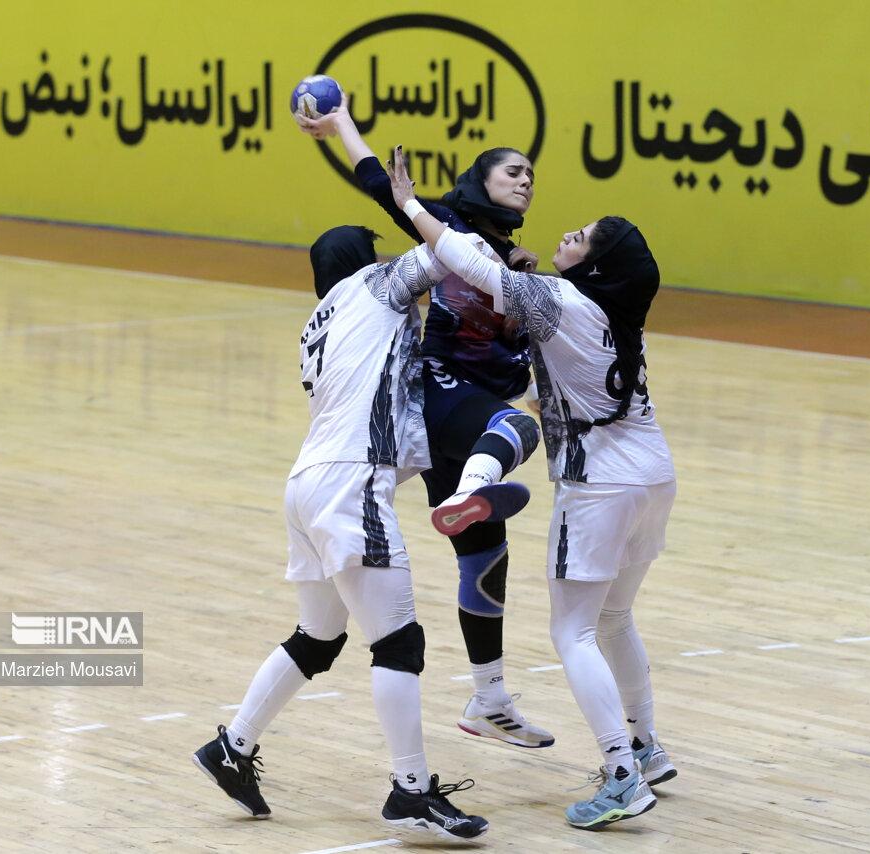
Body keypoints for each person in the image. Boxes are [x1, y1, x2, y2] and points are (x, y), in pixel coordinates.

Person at [386, 147, 676, 829]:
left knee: (573, 632)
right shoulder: (614, 313)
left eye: (582, 238)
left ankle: (622, 773)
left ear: (596, 265)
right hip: (655, 476)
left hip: (599, 484)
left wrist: (410, 205)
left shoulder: (558, 300)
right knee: (615, 618)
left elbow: (471, 263)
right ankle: (647, 745)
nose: (567, 234)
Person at [191, 226, 488, 841]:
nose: (384, 259)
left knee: (318, 637)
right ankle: (411, 791)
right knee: (398, 642)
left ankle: (232, 746)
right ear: (361, 262)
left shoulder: (315, 326)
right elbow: (449, 250)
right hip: (351, 482)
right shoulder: (374, 285)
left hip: (306, 484)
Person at [294, 98, 554, 749]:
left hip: (466, 415)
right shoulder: (445, 223)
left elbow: (515, 347)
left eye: (530, 174)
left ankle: (488, 699)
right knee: (519, 429)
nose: (525, 180)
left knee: (485, 556)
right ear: (481, 180)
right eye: (512, 171)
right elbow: (380, 184)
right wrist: (340, 124)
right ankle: (472, 489)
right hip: (442, 393)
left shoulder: (512, 259)